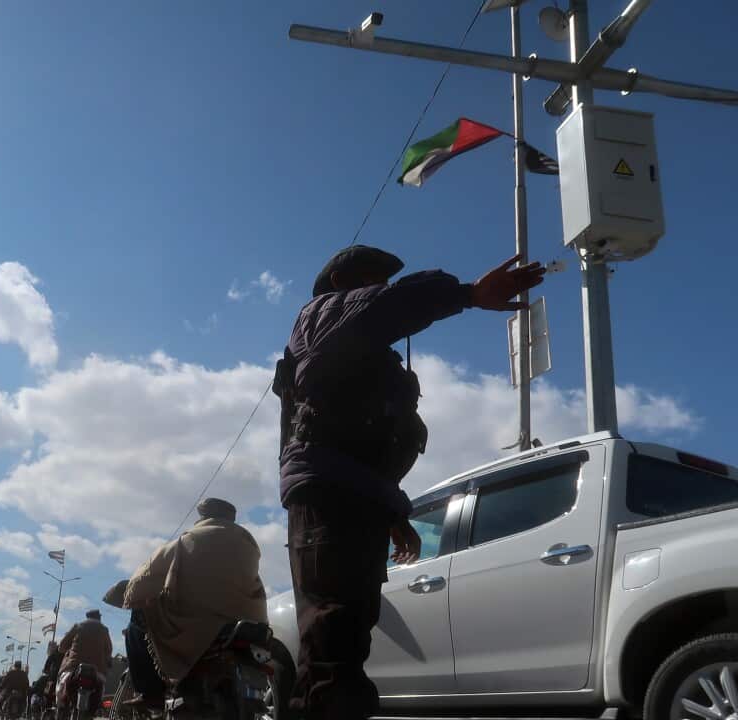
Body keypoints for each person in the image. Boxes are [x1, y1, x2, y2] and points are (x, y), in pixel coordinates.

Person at [273, 247, 544, 720]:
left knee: (346, 637)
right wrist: (468, 294)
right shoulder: (320, 316)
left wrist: (393, 511)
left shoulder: (361, 350)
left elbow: (366, 444)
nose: (380, 287)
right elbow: (387, 307)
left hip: (354, 497)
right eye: (372, 279)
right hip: (331, 498)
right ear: (341, 281)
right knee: (333, 641)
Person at [108, 498, 267, 707]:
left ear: (203, 517)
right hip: (246, 621)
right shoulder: (249, 544)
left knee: (138, 618)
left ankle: (150, 693)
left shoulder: (189, 540)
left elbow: (145, 576)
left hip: (199, 623)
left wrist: (131, 592)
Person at [56, 610, 113, 714]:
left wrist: (68, 650)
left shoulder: (78, 626)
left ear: (87, 617)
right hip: (97, 670)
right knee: (101, 690)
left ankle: (60, 710)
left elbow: (62, 646)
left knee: (61, 691)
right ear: (99, 618)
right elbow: (109, 650)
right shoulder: (104, 630)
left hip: (73, 667)